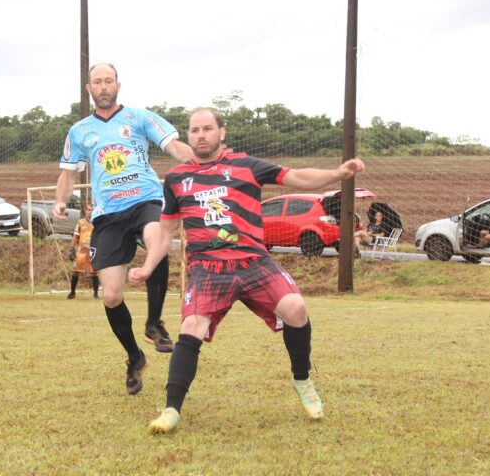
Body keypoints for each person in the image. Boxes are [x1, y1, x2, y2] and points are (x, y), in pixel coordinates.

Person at [128, 107, 366, 433]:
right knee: (192, 326)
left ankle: (303, 380)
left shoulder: (246, 166)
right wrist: (146, 266)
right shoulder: (176, 179)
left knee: (296, 308)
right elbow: (166, 231)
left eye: (207, 128)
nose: (201, 135)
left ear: (221, 133)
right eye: (195, 130)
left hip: (254, 262)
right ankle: (171, 410)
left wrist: (337, 174)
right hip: (207, 269)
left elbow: (294, 177)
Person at [53, 63, 194, 395]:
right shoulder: (79, 131)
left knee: (157, 238)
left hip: (146, 199)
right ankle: (134, 356)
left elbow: (175, 147)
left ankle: (154, 322)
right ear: (88, 88)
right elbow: (68, 173)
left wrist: (203, 167)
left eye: (108, 81)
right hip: (108, 214)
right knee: (113, 296)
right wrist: (61, 201)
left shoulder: (140, 117)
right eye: (97, 82)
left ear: (118, 85)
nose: (103, 86)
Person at [67, 204, 100, 300]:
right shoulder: (80, 222)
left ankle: (96, 295)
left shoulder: (98, 222)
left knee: (94, 272)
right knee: (76, 271)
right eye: (89, 210)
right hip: (81, 251)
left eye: (92, 210)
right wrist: (72, 249)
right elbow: (75, 236)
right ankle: (72, 293)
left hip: (93, 250)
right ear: (86, 211)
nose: (90, 211)